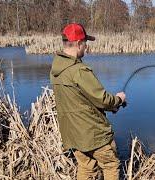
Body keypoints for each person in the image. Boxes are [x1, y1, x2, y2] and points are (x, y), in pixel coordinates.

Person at [50, 23, 126, 180]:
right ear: (78, 44)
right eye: (85, 43)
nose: (86, 48)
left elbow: (80, 100)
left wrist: (111, 106)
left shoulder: (56, 70)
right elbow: (103, 99)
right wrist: (119, 99)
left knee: (86, 167)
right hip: (92, 133)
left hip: (73, 134)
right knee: (111, 165)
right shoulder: (78, 71)